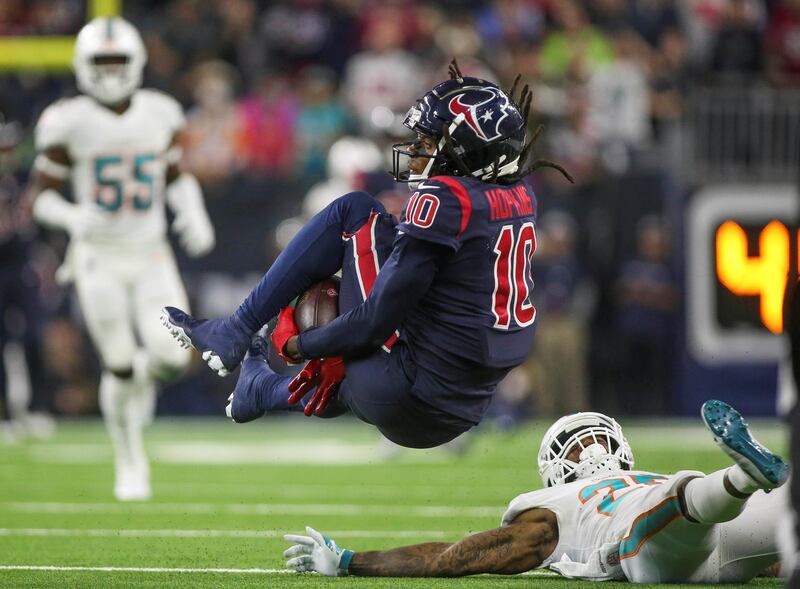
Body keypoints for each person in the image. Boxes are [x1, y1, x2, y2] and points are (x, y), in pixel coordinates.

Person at [162, 61, 573, 449]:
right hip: (465, 404)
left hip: (405, 395)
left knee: (354, 211)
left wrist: (298, 346)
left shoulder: (448, 199)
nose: (416, 151)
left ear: (469, 151)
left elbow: (374, 323)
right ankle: (264, 389)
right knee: (384, 281)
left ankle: (236, 328)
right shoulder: (520, 196)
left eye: (430, 142)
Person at [283, 400, 787, 583]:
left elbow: (453, 558)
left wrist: (352, 561)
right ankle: (744, 479)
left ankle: (743, 476)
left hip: (651, 544)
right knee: (780, 517)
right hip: (697, 524)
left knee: (675, 508)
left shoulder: (554, 504)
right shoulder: (642, 475)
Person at [28, 17, 215, 500]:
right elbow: (39, 197)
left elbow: (174, 176)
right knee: (118, 365)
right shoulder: (67, 119)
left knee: (173, 360)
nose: (110, 72)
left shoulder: (159, 113)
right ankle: (129, 457)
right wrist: (70, 216)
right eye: (100, 62)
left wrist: (190, 209)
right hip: (97, 258)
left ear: (136, 63)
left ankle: (140, 381)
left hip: (151, 253)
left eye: (117, 62)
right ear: (81, 66)